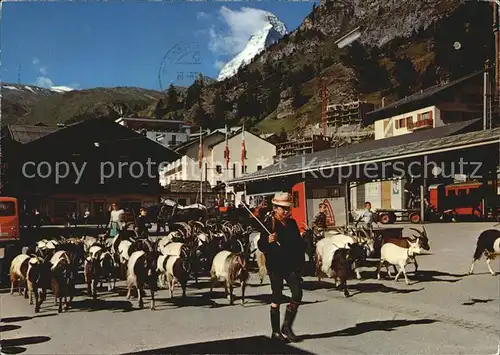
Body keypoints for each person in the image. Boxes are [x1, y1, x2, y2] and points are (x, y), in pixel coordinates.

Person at [256, 192, 305, 343]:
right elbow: (260, 245)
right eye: (282, 208)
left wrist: (301, 264)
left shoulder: (292, 223)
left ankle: (287, 327)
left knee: (297, 293)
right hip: (275, 265)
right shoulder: (269, 223)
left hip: (290, 265)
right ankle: (275, 332)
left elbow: (298, 244)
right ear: (275, 208)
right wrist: (268, 240)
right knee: (277, 295)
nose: (286, 211)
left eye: (287, 208)